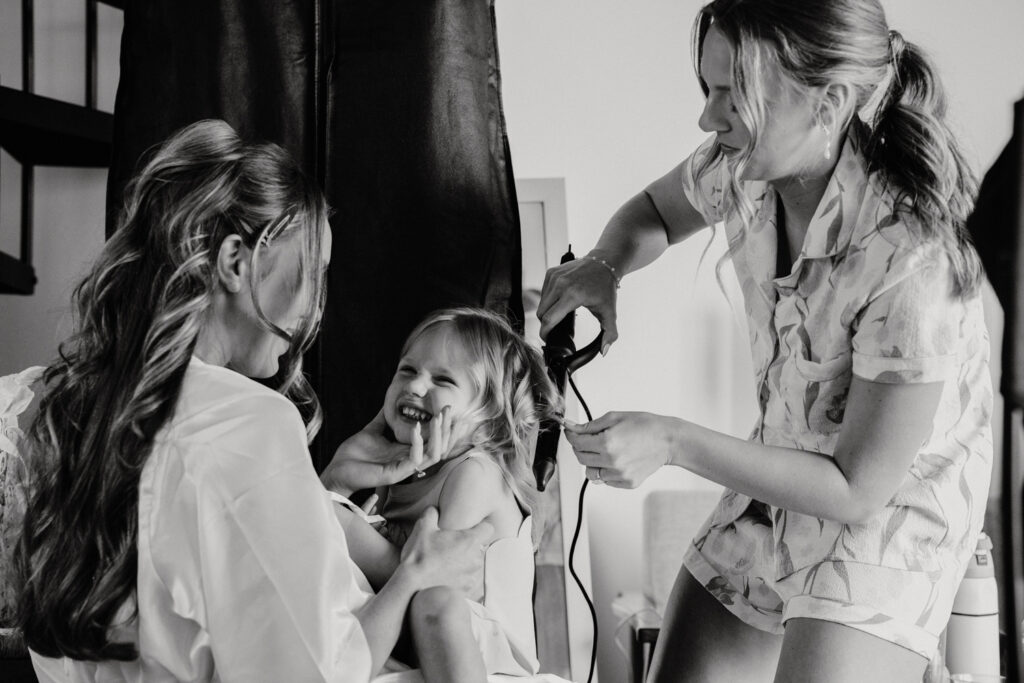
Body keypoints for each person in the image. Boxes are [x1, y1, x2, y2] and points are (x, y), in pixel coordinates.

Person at [537, 1, 992, 681]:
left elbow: (856, 490)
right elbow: (655, 211)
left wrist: (672, 441)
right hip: (782, 474)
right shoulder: (743, 167)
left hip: (886, 518)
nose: (708, 117)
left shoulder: (910, 258)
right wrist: (605, 265)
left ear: (827, 102)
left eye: (733, 94)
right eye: (708, 88)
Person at [15, 119, 493, 683]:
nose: (313, 309)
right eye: (312, 273)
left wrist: (327, 490)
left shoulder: (68, 411)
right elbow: (317, 673)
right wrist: (415, 572)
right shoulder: (246, 422)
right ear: (236, 263)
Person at [324, 307, 561, 682]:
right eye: (407, 370)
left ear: (490, 414)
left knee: (436, 603)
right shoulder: (401, 470)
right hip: (418, 637)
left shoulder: (475, 473)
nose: (415, 387)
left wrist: (341, 521)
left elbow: (431, 571)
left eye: (443, 379)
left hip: (483, 648)